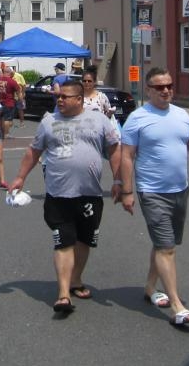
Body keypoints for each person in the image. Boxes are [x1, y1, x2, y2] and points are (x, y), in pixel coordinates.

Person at [8, 79, 122, 314]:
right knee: (63, 242)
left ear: (79, 99)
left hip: (90, 193)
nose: (59, 100)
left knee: (83, 241)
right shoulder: (49, 121)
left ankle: (76, 280)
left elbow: (114, 149)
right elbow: (34, 151)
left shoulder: (99, 120)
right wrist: (20, 177)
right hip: (58, 194)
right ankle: (62, 294)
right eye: (58, 96)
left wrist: (119, 180)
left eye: (64, 97)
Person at [118, 67, 189, 326]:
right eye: (159, 87)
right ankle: (177, 306)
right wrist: (126, 191)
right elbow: (126, 157)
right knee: (166, 247)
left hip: (180, 190)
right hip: (152, 191)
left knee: (166, 244)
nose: (166, 90)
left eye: (169, 86)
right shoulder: (138, 118)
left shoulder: (182, 115)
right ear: (148, 90)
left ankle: (151, 288)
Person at [0, 64, 21, 139]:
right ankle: (6, 134)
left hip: (0, 102)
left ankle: (1, 132)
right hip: (9, 102)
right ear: (10, 73)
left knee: (1, 118)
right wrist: (20, 99)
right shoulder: (12, 81)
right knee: (7, 119)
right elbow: (18, 90)